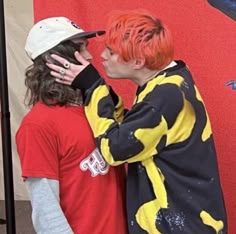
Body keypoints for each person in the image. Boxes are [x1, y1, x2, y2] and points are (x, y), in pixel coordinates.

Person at [47, 9, 227, 234]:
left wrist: (93, 87)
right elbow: (138, 125)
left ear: (138, 61)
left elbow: (114, 149)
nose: (101, 56)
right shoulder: (170, 80)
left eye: (111, 52)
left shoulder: (165, 97)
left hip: (180, 226)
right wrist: (101, 91)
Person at [15, 16, 128, 234]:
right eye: (79, 48)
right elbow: (46, 211)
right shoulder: (38, 125)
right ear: (55, 60)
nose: (89, 56)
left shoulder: (95, 109)